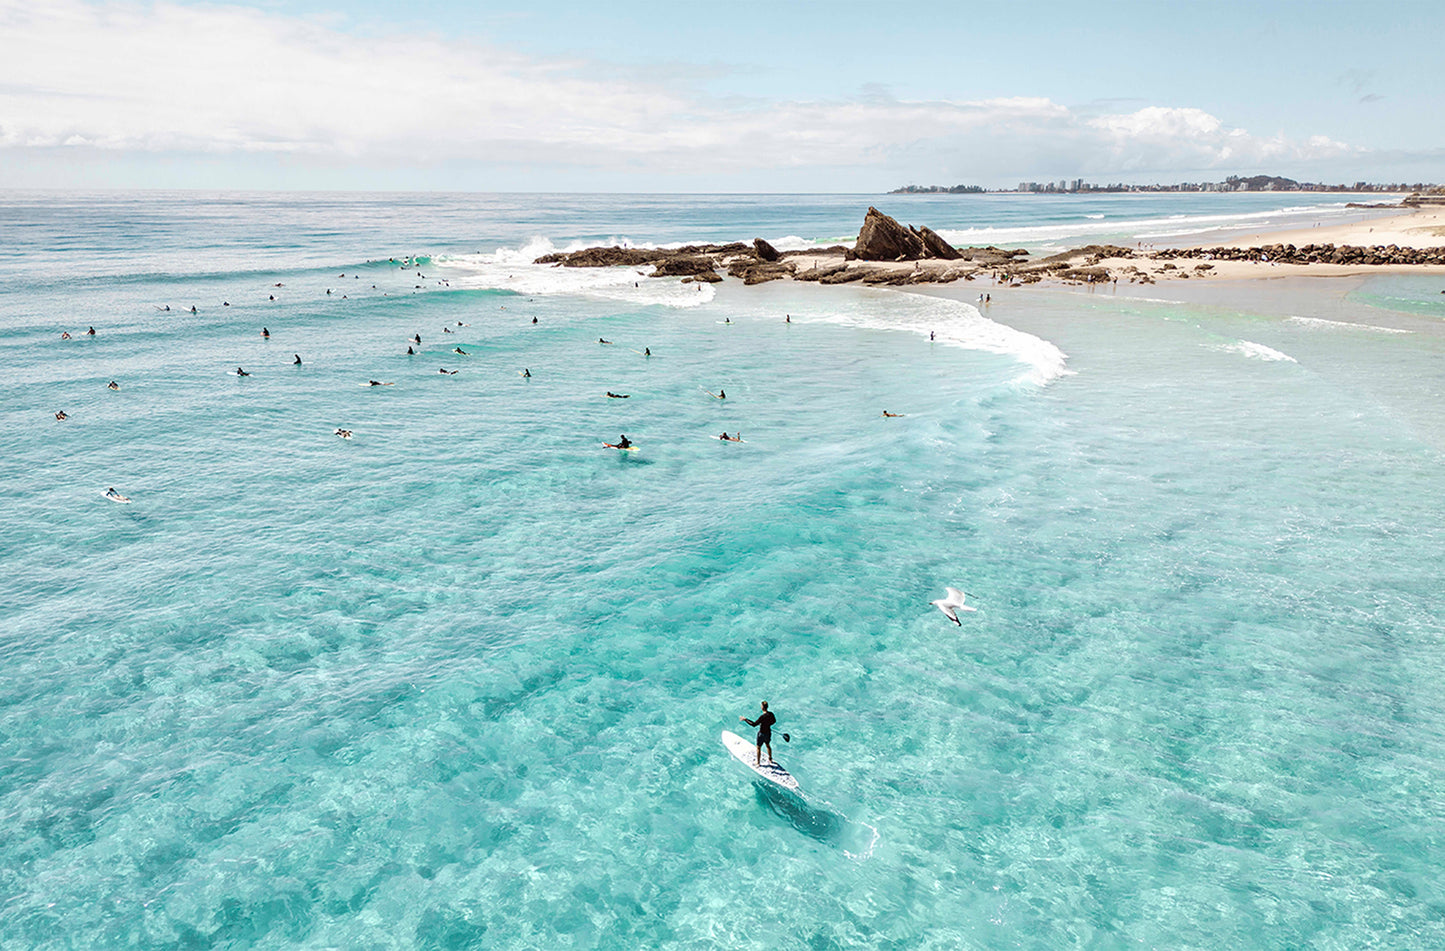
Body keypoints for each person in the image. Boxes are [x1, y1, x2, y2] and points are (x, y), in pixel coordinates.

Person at [740, 700, 777, 765]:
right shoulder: (771, 714)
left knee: (758, 747)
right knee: (768, 745)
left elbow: (754, 724)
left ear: (762, 707)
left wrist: (745, 719)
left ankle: (758, 762)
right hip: (768, 733)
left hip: (762, 734)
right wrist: (767, 724)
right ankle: (770, 758)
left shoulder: (762, 717)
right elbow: (774, 721)